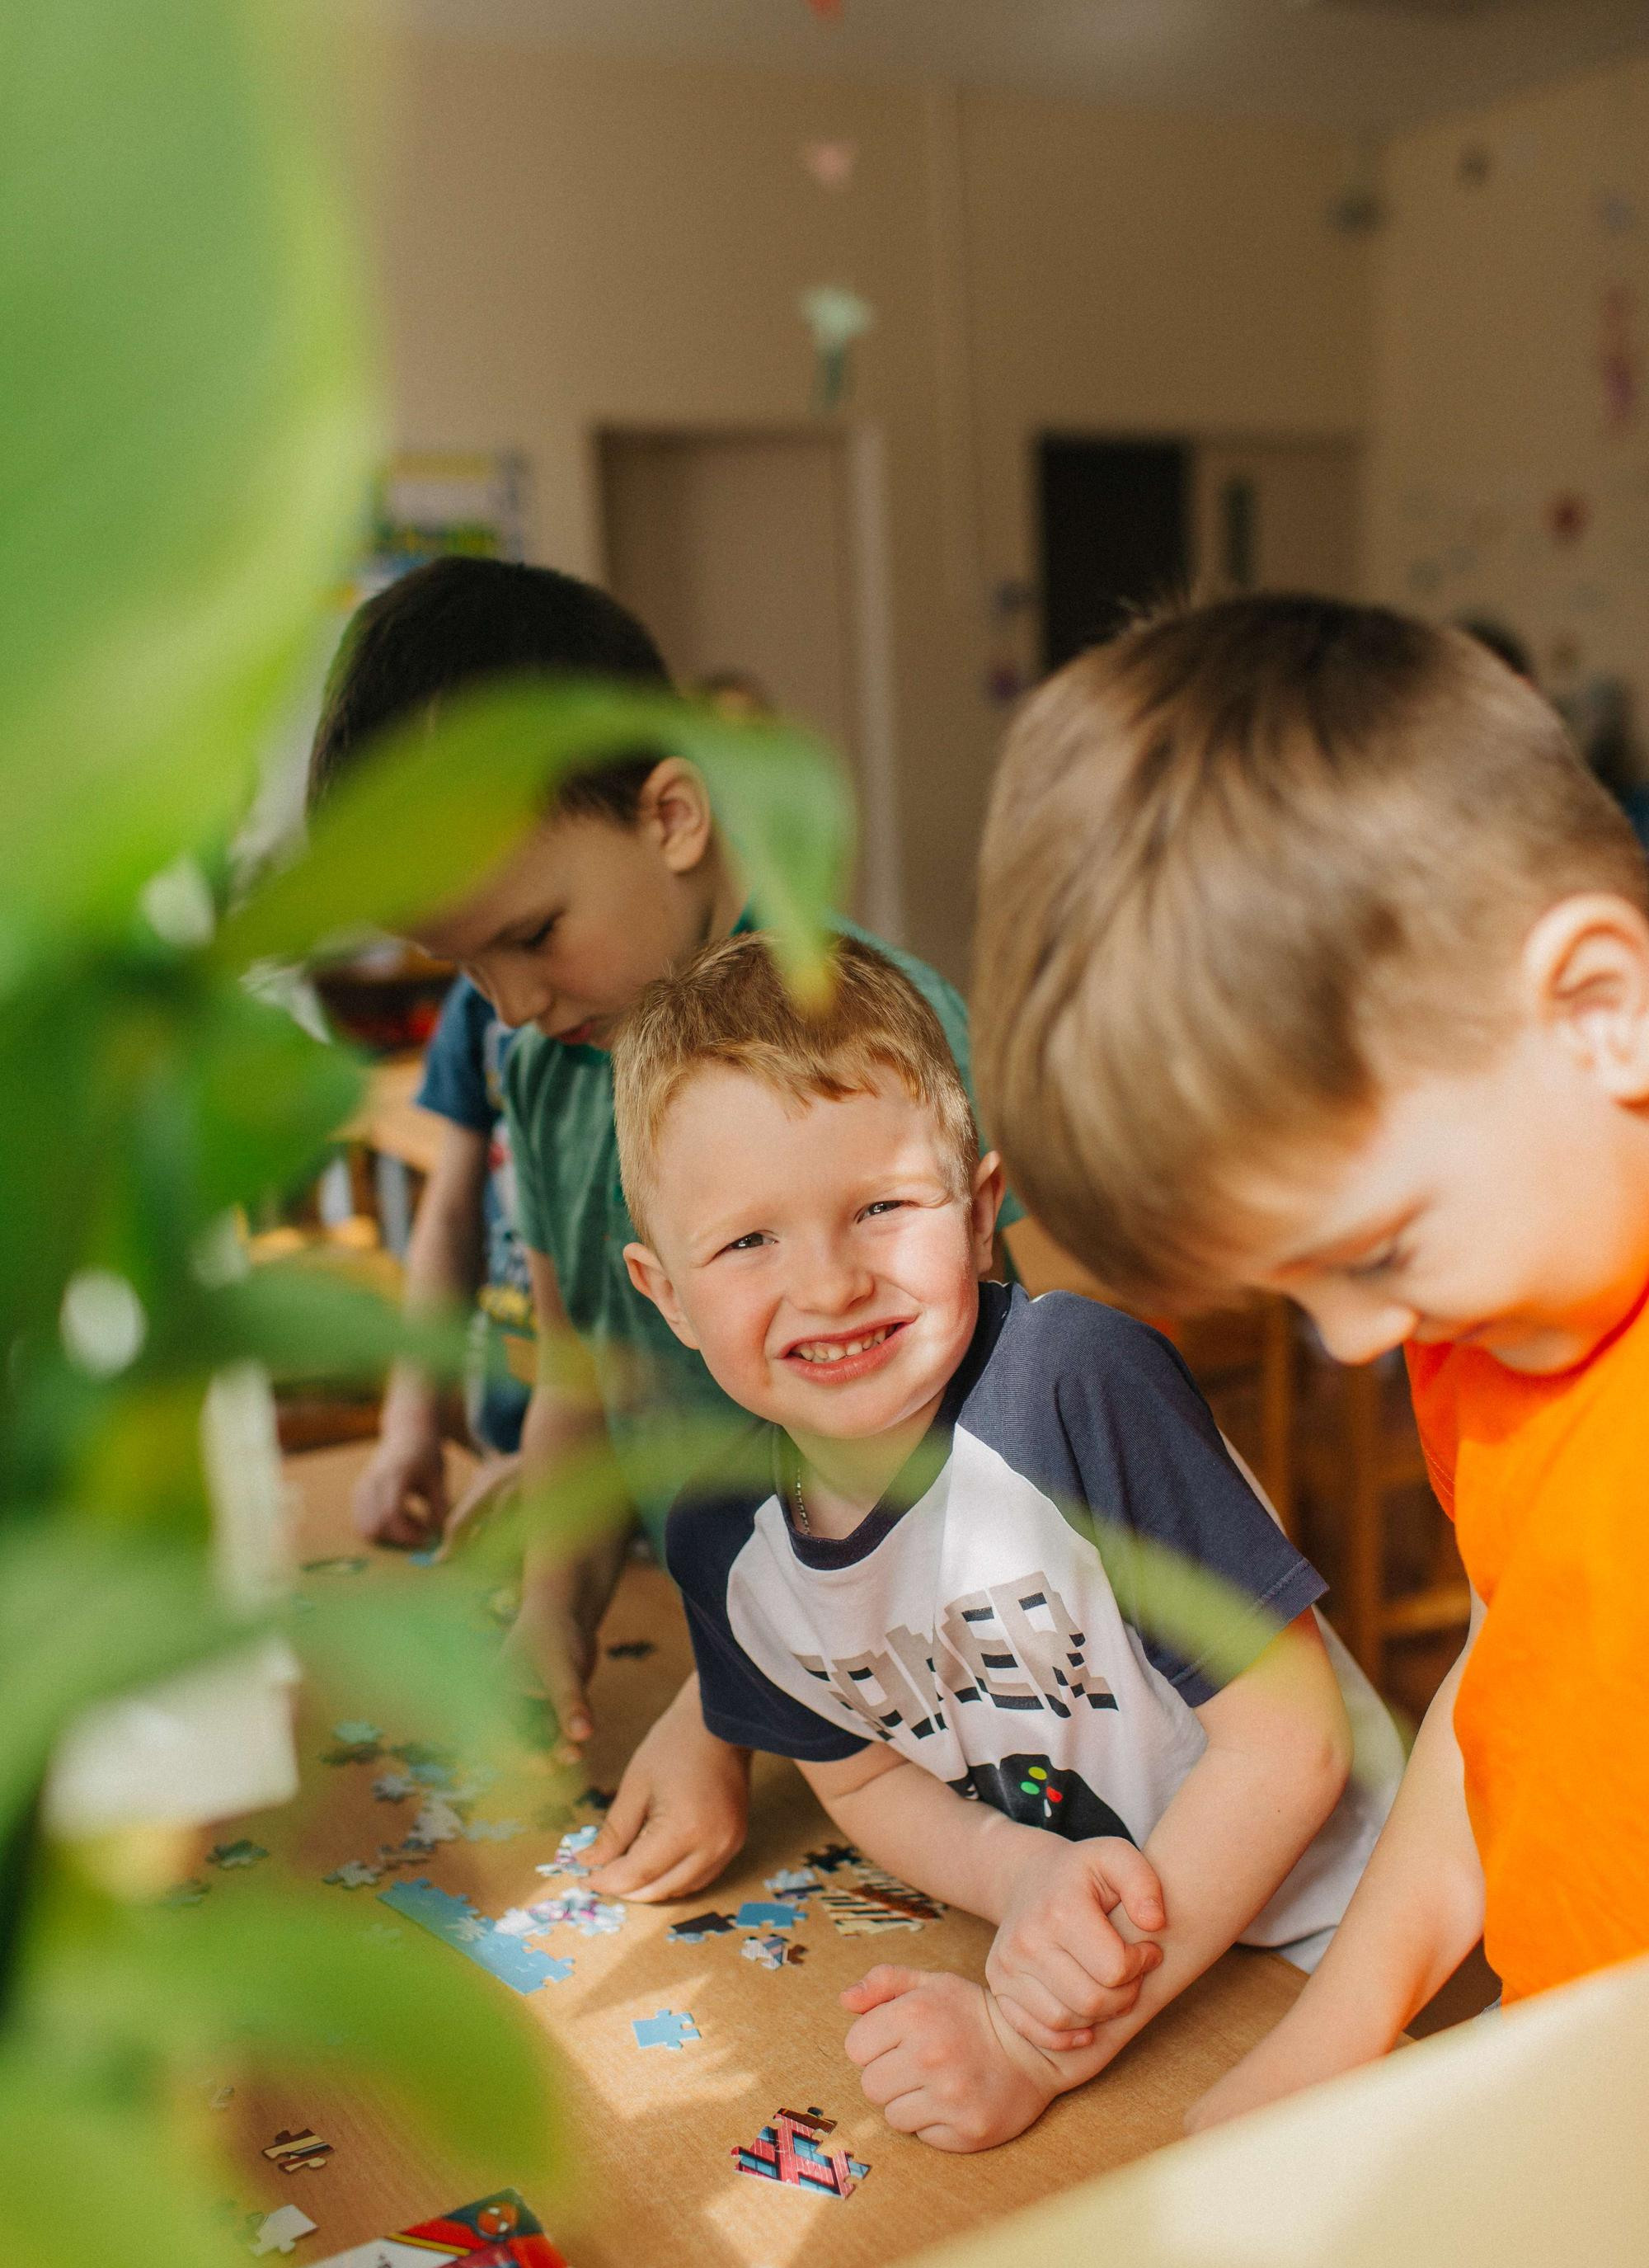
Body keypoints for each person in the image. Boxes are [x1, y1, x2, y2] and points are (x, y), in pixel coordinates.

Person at [970, 590, 1649, 2130]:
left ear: (1601, 1012)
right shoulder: (1496, 1324)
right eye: (1295, 1292)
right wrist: (1329, 2037)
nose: (1352, 1338)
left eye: (1378, 1251)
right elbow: (1515, 1672)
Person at [611, 932, 1401, 2151]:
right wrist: (1016, 1872)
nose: (828, 1286)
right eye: (747, 1241)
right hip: (1114, 1987)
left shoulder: (1077, 1384)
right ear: (664, 1294)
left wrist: (1036, 2039)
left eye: (880, 1208)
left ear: (980, 1215)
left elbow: (1293, 1748)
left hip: (1338, 1958)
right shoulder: (722, 1541)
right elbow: (863, 1774)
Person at [308, 555, 1012, 1901]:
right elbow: (587, 1377)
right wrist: (552, 1617)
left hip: (949, 1702)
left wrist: (727, 1708)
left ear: (673, 817)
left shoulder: (870, 1034)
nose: (508, 1003)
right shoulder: (547, 1068)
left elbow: (967, 1426)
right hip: (728, 1666)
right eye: (466, 968)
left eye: (534, 933)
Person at [351, 974, 532, 1547]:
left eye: (535, 935)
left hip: (659, 1474)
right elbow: (450, 1216)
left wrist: (568, 1458)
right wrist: (409, 1422)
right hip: (515, 1449)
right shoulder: (481, 1000)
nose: (511, 997)